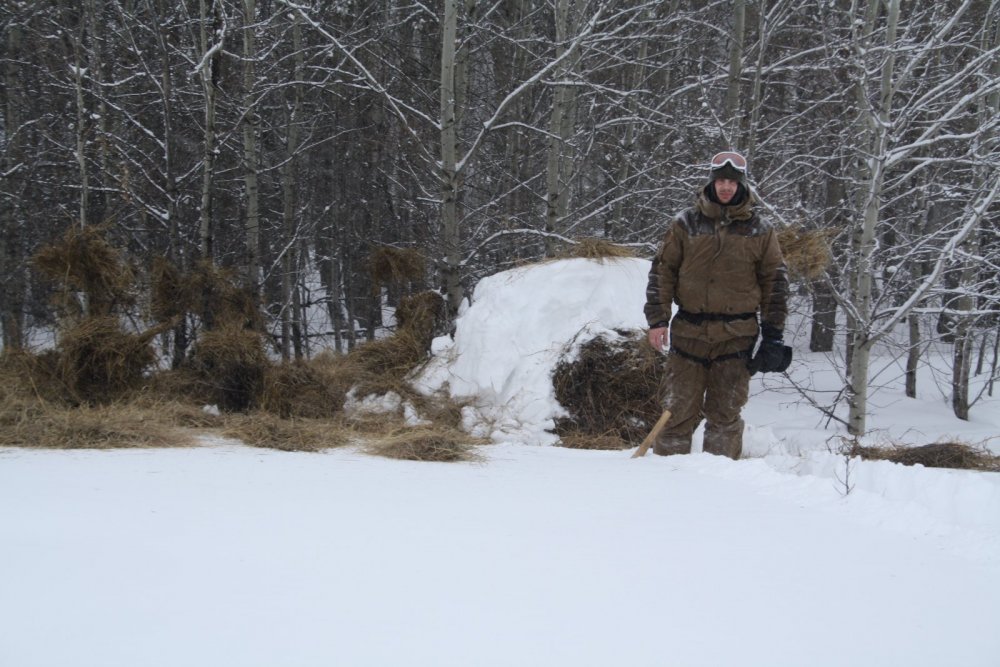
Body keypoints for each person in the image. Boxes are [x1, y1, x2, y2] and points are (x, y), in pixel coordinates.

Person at [643, 150, 789, 459]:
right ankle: (663, 486)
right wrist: (658, 320)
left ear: (742, 186)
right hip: (688, 334)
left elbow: (774, 283)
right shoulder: (686, 223)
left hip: (736, 336)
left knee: (724, 417)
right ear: (712, 183)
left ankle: (718, 489)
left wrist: (773, 335)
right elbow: (662, 271)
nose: (726, 187)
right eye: (721, 181)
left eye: (732, 182)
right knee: (676, 412)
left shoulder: (760, 230)